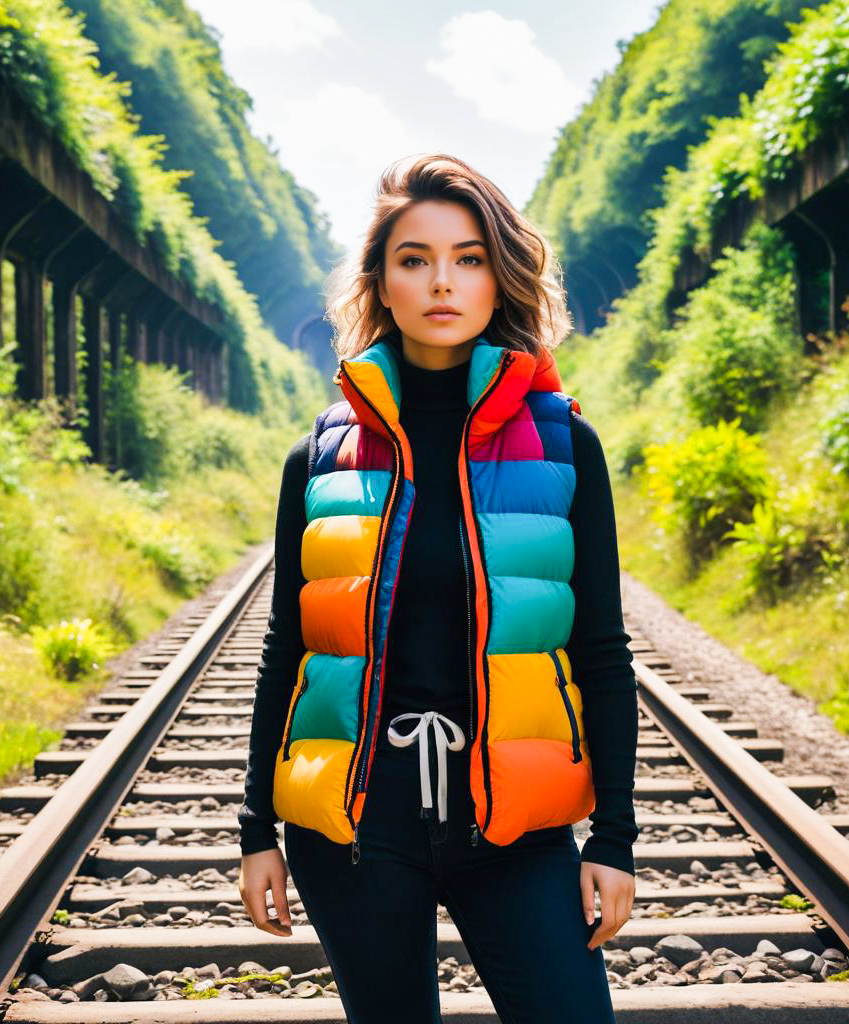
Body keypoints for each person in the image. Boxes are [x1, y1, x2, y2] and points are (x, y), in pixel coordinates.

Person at [237, 152, 639, 1023]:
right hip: (354, 829)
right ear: (381, 281)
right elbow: (288, 649)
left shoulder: (565, 445)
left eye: (468, 257)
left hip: (515, 827)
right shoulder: (322, 455)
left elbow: (602, 650)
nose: (442, 282)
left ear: (502, 275)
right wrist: (255, 832)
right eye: (414, 259)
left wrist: (614, 839)